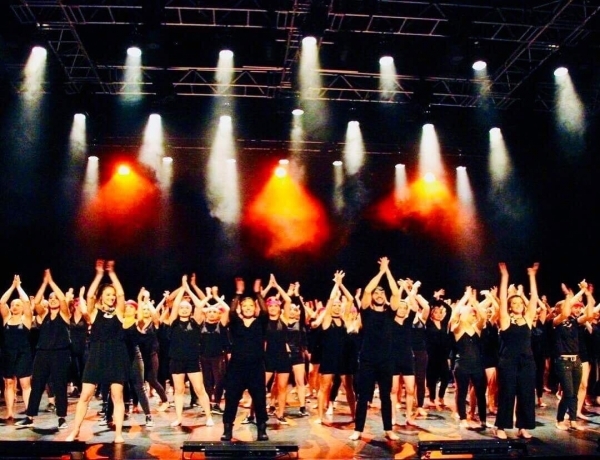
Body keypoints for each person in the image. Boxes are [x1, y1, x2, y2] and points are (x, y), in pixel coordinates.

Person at [65, 260, 130, 444]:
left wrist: (113, 274)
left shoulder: (119, 313)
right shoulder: (94, 313)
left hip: (116, 356)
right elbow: (90, 296)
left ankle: (118, 434)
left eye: (112, 295)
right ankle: (75, 431)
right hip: (97, 356)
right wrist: (99, 275)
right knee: (85, 395)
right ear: (102, 297)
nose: (112, 297)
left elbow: (121, 294)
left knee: (117, 396)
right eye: (107, 294)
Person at [350, 257, 401, 441]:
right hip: (367, 360)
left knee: (386, 396)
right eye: (376, 293)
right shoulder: (366, 311)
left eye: (382, 293)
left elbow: (396, 293)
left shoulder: (390, 312)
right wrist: (380, 272)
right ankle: (358, 429)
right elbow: (367, 290)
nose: (379, 295)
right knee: (363, 396)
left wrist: (388, 271)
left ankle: (388, 429)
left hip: (386, 360)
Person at [16, 269, 71, 430]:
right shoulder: (43, 315)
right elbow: (38, 301)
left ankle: (61, 417)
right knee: (37, 385)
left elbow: (63, 299)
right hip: (42, 353)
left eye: (55, 298)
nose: (53, 300)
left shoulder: (64, 314)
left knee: (60, 385)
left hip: (60, 353)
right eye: (51, 298)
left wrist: (52, 282)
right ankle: (30, 417)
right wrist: (44, 283)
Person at [493, 262, 539, 440]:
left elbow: (534, 299)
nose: (518, 304)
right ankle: (501, 427)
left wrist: (532, 276)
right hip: (508, 362)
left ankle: (523, 427)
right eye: (514, 302)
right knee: (507, 394)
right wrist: (505, 277)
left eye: (520, 302)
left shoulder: (528, 319)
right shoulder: (505, 320)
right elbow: (502, 299)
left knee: (526, 394)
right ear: (510, 306)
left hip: (527, 362)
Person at [221, 277, 269, 442]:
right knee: (232, 399)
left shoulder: (260, 322)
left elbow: (265, 312)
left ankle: (261, 429)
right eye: (245, 305)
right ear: (241, 308)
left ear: (255, 307)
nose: (248, 308)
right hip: (236, 368)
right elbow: (232, 312)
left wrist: (258, 294)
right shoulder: (236, 322)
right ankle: (228, 429)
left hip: (256, 368)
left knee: (260, 399)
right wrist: (238, 293)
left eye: (251, 305)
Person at [165, 275, 214, 428]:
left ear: (191, 309)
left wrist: (189, 289)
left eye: (187, 307)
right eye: (182, 307)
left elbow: (199, 305)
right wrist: (182, 288)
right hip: (176, 360)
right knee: (179, 390)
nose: (184, 309)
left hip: (192, 360)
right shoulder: (173, 322)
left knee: (199, 389)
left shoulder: (196, 321)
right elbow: (174, 305)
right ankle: (179, 418)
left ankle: (209, 416)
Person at [552, 280, 594, 431]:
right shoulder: (556, 322)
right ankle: (559, 420)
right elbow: (564, 312)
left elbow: (589, 315)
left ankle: (573, 420)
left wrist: (587, 294)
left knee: (573, 393)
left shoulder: (575, 321)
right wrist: (569, 295)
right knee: (568, 392)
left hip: (576, 361)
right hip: (563, 362)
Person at [449, 286, 490, 430]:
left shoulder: (477, 328)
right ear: (463, 315)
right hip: (463, 365)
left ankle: (483, 419)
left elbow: (483, 317)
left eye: (473, 313)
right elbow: (454, 314)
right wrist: (466, 298)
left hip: (477, 365)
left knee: (480, 393)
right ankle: (463, 418)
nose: (473, 315)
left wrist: (474, 301)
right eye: (470, 313)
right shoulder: (458, 329)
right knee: (462, 392)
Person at [0, 275, 33, 422]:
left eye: (17, 305)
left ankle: (30, 413)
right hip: (8, 354)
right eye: (13, 304)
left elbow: (26, 301)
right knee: (9, 383)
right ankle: (9, 412)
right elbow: (2, 302)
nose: (14, 306)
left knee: (25, 384)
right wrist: (12, 286)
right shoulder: (7, 318)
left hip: (23, 353)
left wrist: (19, 286)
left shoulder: (26, 319)